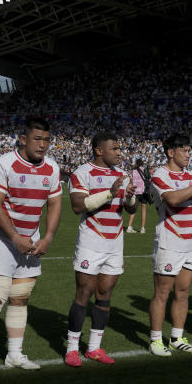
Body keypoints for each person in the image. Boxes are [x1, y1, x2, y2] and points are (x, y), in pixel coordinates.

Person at [0, 116, 62, 376]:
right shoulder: (3, 163)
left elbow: (55, 203)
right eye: (37, 139)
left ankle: (14, 354)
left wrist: (47, 237)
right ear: (23, 139)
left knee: (20, 299)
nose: (43, 144)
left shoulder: (52, 167)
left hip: (32, 239)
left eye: (47, 140)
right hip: (2, 241)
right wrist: (14, 237)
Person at [64, 133, 137, 367]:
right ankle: (72, 349)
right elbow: (77, 206)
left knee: (105, 294)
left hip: (115, 241)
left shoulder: (121, 175)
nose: (119, 152)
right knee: (84, 292)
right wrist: (110, 193)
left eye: (119, 149)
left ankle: (94, 348)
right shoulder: (82, 173)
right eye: (114, 149)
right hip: (91, 240)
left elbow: (129, 207)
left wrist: (131, 198)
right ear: (98, 150)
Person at [147, 134, 192, 356]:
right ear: (171, 152)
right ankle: (155, 340)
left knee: (183, 291)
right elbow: (172, 199)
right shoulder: (160, 174)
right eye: (185, 150)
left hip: (190, 242)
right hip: (168, 241)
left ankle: (177, 337)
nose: (189, 155)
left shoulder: (190, 175)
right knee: (162, 292)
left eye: (190, 151)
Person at [125, 158, 150, 233]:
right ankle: (142, 228)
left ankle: (129, 227)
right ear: (142, 163)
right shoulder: (145, 169)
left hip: (135, 191)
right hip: (144, 191)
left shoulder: (133, 171)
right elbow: (149, 179)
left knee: (133, 210)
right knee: (144, 210)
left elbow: (131, 180)